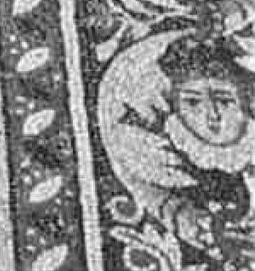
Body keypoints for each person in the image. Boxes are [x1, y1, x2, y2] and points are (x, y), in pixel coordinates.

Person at [100, 24, 254, 250]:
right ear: (176, 109)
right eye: (192, 102)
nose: (212, 115)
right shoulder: (168, 168)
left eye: (224, 100)